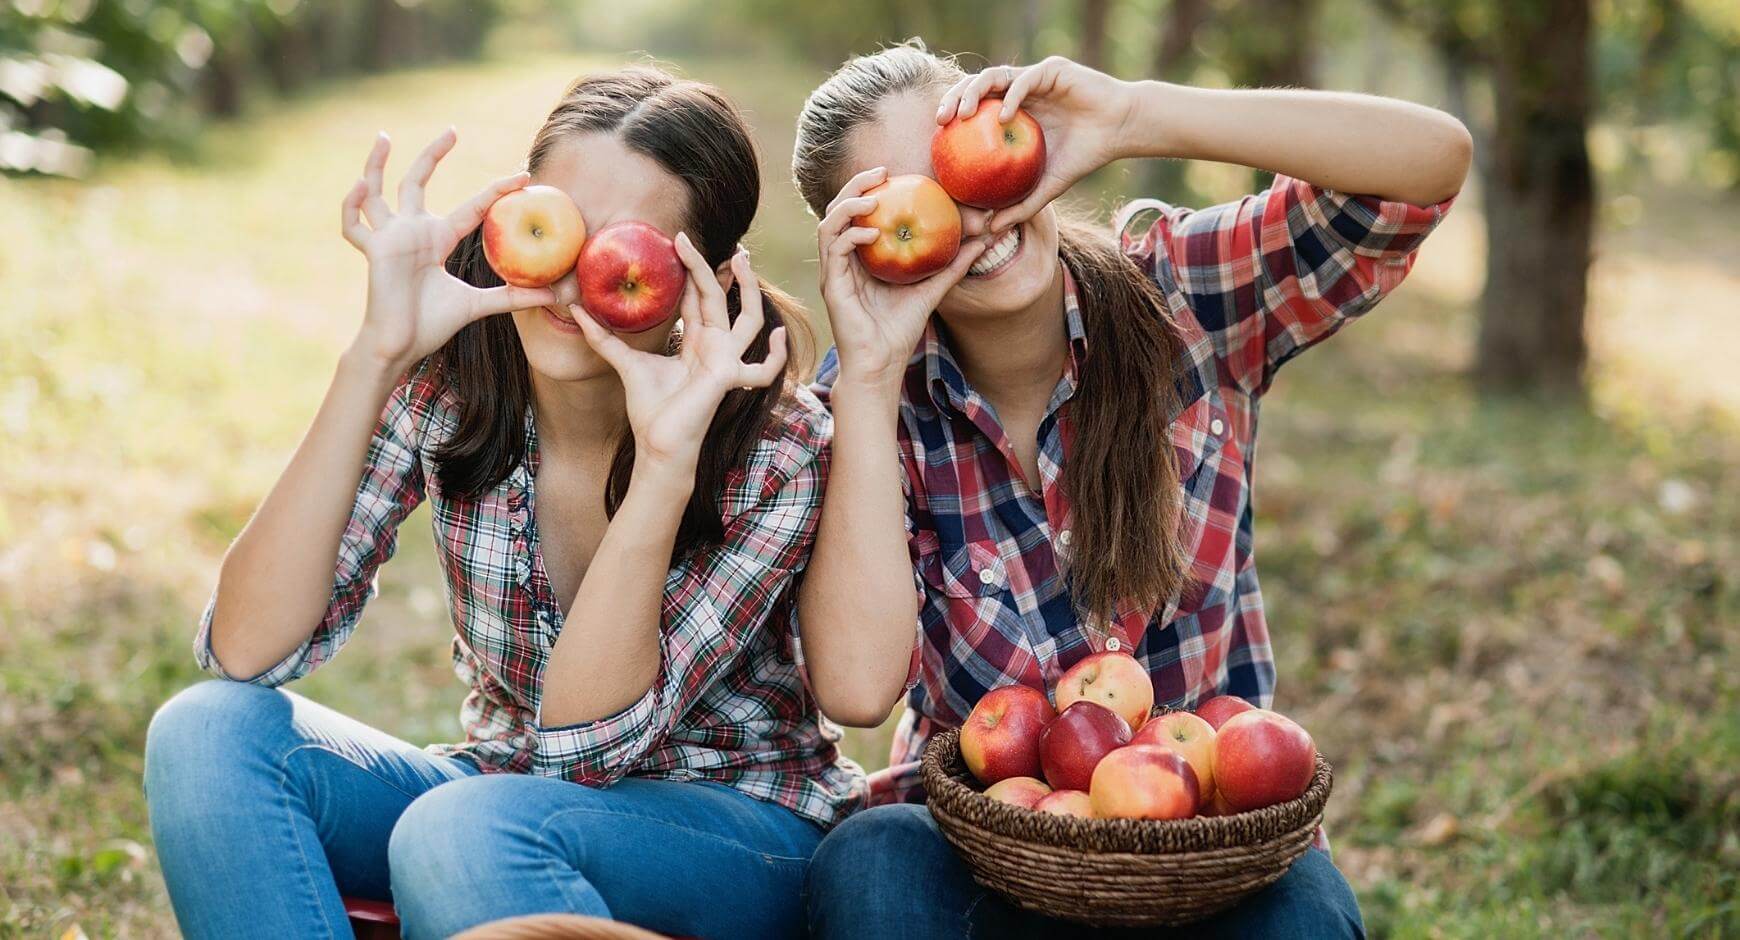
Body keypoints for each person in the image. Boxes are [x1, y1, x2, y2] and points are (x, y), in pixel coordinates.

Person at [143, 67, 860, 940]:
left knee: (468, 828)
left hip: (736, 832)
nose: (571, 280)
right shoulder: (453, 385)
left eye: (622, 243)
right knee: (207, 735)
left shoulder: (777, 445)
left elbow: (588, 748)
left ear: (705, 278)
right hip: (500, 795)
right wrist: (377, 355)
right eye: (555, 227)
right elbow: (245, 648)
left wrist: (667, 461)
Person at [790, 43, 1470, 938]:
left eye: (977, 162)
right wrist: (871, 382)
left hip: (1206, 852)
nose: (977, 217)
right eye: (921, 203)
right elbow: (856, 688)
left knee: (1307, 911)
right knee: (870, 863)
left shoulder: (1181, 296)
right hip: (993, 856)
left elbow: (1426, 172)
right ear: (868, 247)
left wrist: (1135, 118)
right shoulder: (866, 405)